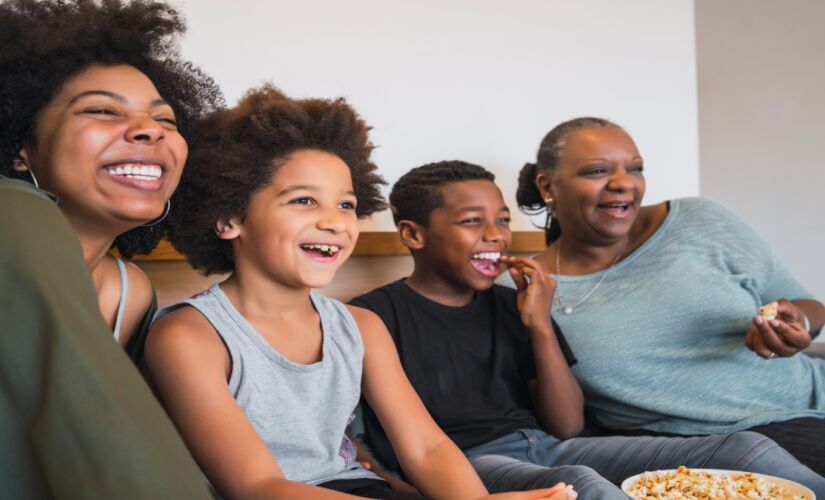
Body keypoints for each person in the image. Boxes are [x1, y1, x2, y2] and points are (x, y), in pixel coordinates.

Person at [143, 86, 572, 500]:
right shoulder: (188, 336)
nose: (335, 222)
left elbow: (426, 448)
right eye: (304, 201)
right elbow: (255, 487)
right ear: (229, 218)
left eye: (346, 205)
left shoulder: (361, 327)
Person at [350, 160, 825, 499]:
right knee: (582, 484)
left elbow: (567, 424)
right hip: (467, 463)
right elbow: (352, 433)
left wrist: (538, 323)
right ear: (413, 235)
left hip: (547, 442)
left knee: (746, 449)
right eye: (473, 223)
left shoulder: (516, 304)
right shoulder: (372, 316)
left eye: (501, 221)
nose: (495, 235)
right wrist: (394, 485)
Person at [510, 116, 825, 475]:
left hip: (812, 399)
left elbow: (808, 305)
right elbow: (554, 417)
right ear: (548, 186)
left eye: (636, 168)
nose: (623, 183)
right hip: (712, 451)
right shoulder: (526, 289)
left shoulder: (700, 220)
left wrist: (796, 324)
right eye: (597, 171)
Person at [0, 0, 223, 497]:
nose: (150, 130)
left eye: (166, 120)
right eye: (102, 110)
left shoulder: (131, 290)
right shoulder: (9, 209)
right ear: (21, 147)